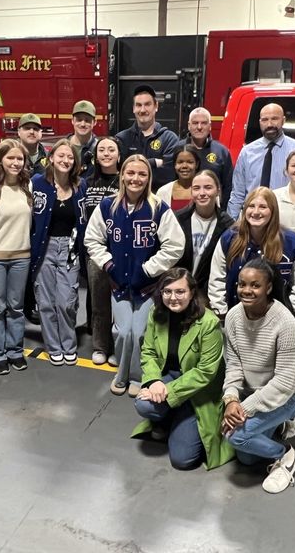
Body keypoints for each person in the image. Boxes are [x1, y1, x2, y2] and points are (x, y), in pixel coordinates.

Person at [85, 154, 184, 397]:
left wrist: (148, 269)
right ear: (122, 176)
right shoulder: (108, 206)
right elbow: (92, 239)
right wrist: (108, 264)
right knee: (121, 331)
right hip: (118, 283)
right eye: (130, 173)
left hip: (146, 287)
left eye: (142, 174)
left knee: (139, 333)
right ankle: (122, 373)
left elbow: (175, 245)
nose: (135, 178)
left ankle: (137, 376)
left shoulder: (158, 207)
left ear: (148, 178)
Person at [221, 257, 295, 494]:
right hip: (255, 390)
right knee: (247, 459)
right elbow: (233, 364)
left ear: (268, 288)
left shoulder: (284, 322)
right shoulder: (233, 317)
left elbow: (284, 381)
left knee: (235, 436)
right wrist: (231, 399)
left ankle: (286, 455)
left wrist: (245, 409)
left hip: (290, 393)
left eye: (255, 285)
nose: (246, 291)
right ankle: (278, 425)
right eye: (242, 284)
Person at [132, 268, 234, 471]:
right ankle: (172, 413)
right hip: (169, 377)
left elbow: (205, 372)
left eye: (180, 291)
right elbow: (149, 352)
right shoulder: (156, 313)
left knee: (182, 460)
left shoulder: (209, 323)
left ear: (192, 293)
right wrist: (154, 382)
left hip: (199, 390)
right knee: (143, 405)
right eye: (167, 291)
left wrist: (168, 391)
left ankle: (175, 413)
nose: (173, 297)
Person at [209, 186, 295, 326]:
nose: (256, 212)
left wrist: (294, 322)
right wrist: (221, 314)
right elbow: (217, 280)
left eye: (263, 207)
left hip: (279, 322)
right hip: (235, 319)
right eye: (251, 206)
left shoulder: (292, 243)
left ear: (273, 211)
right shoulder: (229, 238)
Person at [30, 139, 87, 366]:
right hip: (45, 247)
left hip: (70, 248)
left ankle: (68, 344)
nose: (65, 160)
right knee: (45, 302)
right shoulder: (37, 183)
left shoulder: (80, 186)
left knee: (66, 300)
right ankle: (53, 346)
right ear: (51, 158)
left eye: (70, 157)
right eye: (61, 156)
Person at [0, 139, 33, 375]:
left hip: (22, 256)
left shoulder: (27, 186)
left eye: (19, 158)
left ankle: (15, 350)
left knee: (16, 308)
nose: (15, 162)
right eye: (10, 157)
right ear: (0, 159)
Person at [227, 103, 295, 220]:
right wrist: (231, 224)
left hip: (283, 218)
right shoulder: (247, 152)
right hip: (253, 217)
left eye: (274, 119)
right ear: (260, 122)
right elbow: (237, 193)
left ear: (283, 120)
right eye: (265, 120)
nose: (269, 124)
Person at [83, 136, 121, 366]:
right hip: (95, 251)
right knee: (99, 301)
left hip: (120, 252)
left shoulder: (125, 181)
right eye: (102, 150)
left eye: (111, 150)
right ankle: (100, 346)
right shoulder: (87, 182)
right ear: (95, 156)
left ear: (119, 154)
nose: (106, 154)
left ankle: (117, 346)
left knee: (120, 302)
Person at [175, 170, 233, 293]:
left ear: (217, 190)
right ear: (191, 192)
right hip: (178, 287)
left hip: (208, 292)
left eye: (208, 187)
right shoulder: (177, 219)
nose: (202, 193)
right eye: (196, 188)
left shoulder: (228, 226)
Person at [115, 84, 179, 190]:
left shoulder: (169, 139)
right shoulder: (121, 139)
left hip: (159, 199)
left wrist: (132, 170)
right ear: (133, 108)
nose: (143, 110)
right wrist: (154, 162)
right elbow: (118, 173)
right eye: (139, 105)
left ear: (156, 106)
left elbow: (169, 175)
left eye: (147, 104)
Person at [180, 107, 233, 210]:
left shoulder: (221, 152)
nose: (199, 127)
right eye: (195, 123)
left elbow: (228, 186)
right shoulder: (178, 149)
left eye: (204, 123)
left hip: (213, 212)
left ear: (210, 126)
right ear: (189, 126)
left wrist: (224, 212)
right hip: (182, 210)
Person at [156, 145, 201, 211]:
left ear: (197, 164)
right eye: (180, 162)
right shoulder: (163, 192)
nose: (184, 166)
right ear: (174, 165)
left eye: (189, 162)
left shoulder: (208, 190)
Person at [68, 100, 98, 178]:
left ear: (94, 122)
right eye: (79, 120)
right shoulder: (61, 147)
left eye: (87, 120)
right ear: (72, 120)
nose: (83, 124)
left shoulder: (99, 149)